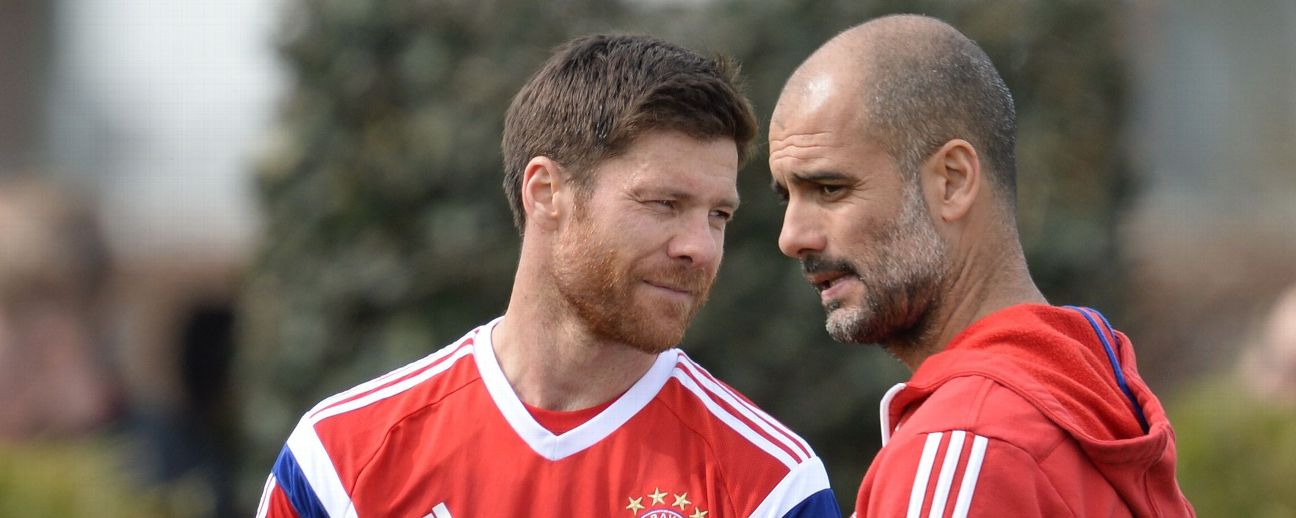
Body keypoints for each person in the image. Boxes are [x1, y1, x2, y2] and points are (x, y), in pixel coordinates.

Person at [257, 34, 840, 517]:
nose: (700, 248)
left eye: (718, 216)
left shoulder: (772, 487)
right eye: (664, 203)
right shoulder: (338, 461)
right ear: (546, 193)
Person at [768, 15, 1193, 517]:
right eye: (786, 196)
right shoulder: (1091, 384)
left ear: (952, 181)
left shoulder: (966, 444)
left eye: (829, 188)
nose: (791, 237)